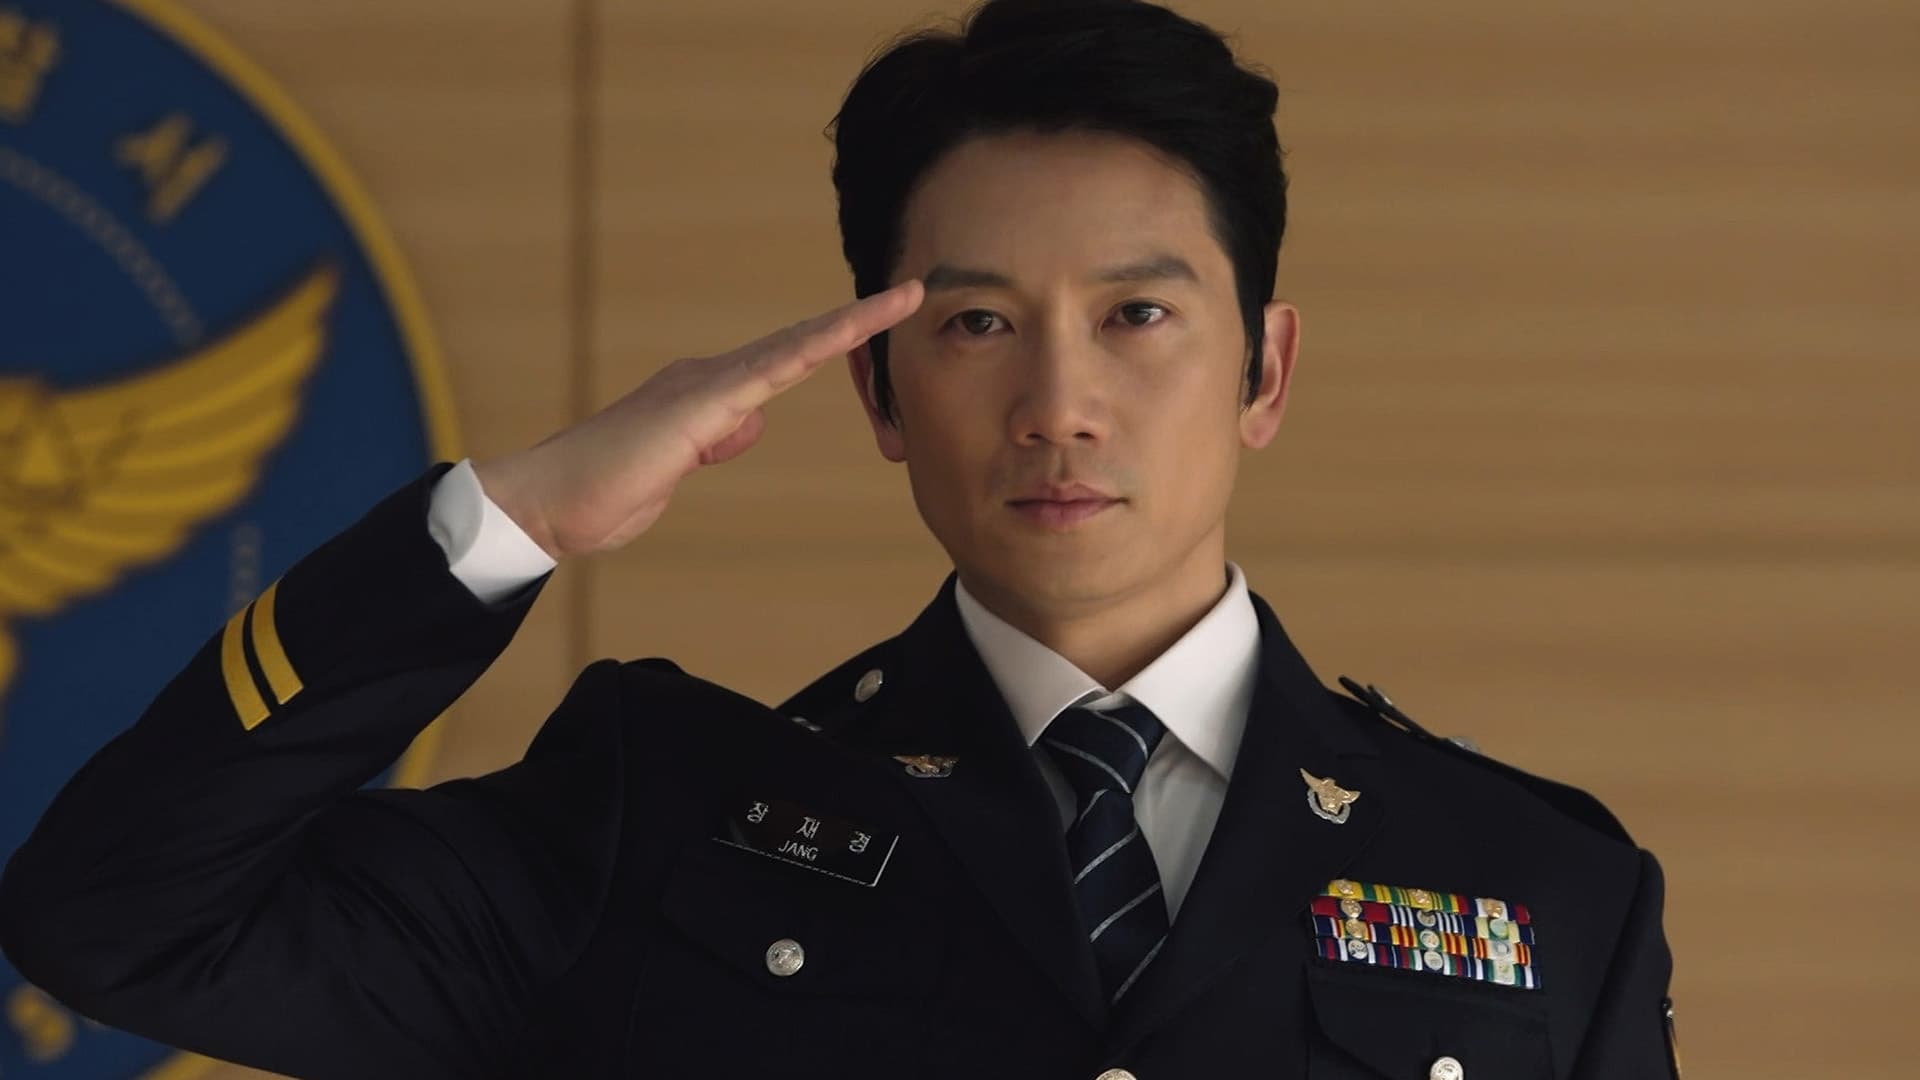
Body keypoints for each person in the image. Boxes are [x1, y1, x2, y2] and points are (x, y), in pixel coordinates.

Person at [0, 0, 1680, 1076]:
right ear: (877, 389)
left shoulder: (1540, 886)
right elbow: (114, 920)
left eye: (1139, 315)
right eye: (974, 326)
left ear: (1266, 369)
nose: (1059, 405)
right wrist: (510, 522)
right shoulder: (655, 824)